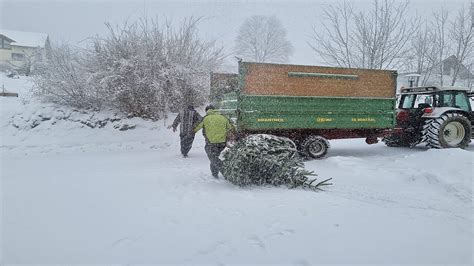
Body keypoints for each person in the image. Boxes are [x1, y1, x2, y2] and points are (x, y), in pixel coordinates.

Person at [194, 104, 234, 178]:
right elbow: (230, 128)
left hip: (211, 143)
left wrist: (190, 132)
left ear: (207, 111)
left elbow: (196, 128)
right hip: (222, 143)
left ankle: (224, 169)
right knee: (214, 156)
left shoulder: (205, 118)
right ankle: (214, 173)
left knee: (213, 157)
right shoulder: (223, 117)